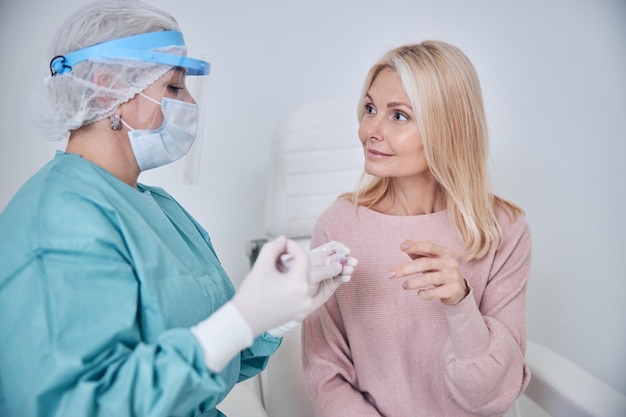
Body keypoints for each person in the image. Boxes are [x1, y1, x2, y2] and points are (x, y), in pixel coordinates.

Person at [0, 1, 357, 416]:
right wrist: (240, 320)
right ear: (104, 87)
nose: (189, 102)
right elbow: (79, 404)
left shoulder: (156, 206)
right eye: (173, 87)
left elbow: (200, 368)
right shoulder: (58, 220)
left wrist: (267, 319)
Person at [302, 40, 532, 417]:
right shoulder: (338, 226)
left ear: (448, 128)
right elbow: (325, 374)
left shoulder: (502, 231)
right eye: (370, 109)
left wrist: (460, 303)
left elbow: (490, 396)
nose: (370, 130)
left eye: (399, 116)